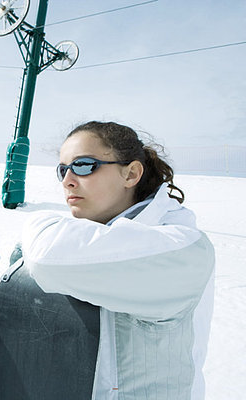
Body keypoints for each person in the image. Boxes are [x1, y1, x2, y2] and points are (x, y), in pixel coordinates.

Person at [21, 121, 215, 400]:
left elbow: (45, 256)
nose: (67, 180)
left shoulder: (182, 248)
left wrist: (36, 222)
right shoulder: (104, 238)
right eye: (62, 170)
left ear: (131, 173)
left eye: (84, 165)